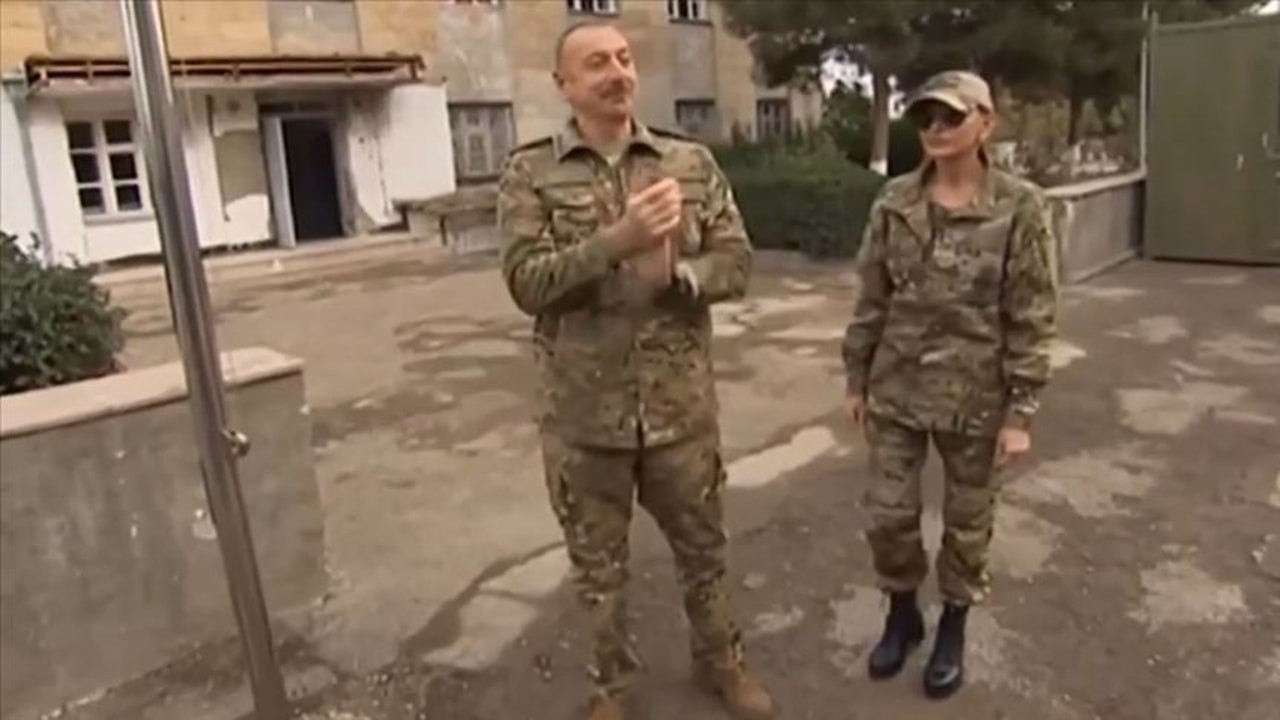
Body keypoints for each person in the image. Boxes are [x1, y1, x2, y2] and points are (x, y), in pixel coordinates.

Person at [496, 20, 777, 720]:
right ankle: (610, 690)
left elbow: (737, 260)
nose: (617, 72)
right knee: (599, 567)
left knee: (704, 549)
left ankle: (721, 662)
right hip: (585, 417)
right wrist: (615, 242)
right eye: (596, 63)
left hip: (680, 410)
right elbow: (527, 283)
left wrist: (680, 275)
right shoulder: (531, 172)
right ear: (564, 84)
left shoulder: (688, 162)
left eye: (623, 58)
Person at [841, 70, 1059, 700]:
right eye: (926, 118)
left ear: (986, 123)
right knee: (888, 515)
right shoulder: (895, 203)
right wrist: (856, 376)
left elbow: (1033, 313)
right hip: (898, 388)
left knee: (967, 524)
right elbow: (871, 296)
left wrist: (1020, 412)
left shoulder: (1021, 207)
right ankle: (902, 614)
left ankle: (953, 627)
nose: (936, 128)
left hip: (977, 398)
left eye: (951, 117)